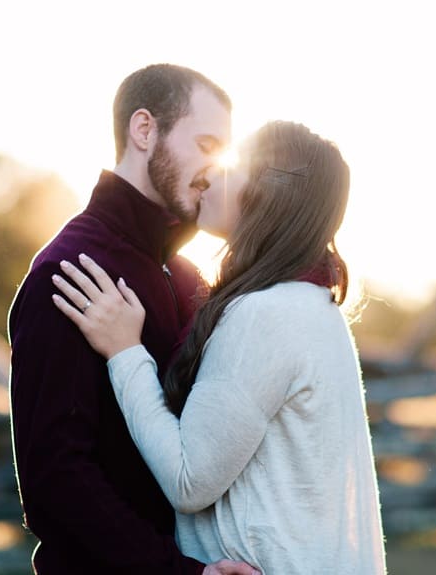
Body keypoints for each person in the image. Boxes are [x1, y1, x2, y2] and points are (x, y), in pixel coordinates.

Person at [51, 121, 387, 574]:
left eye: (233, 164)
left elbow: (189, 480)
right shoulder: (313, 304)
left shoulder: (264, 315)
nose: (209, 173)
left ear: (271, 193)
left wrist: (125, 352)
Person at [8, 63, 258, 574]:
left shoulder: (188, 278)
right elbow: (55, 480)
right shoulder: (69, 272)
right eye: (207, 145)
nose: (217, 169)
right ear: (144, 130)